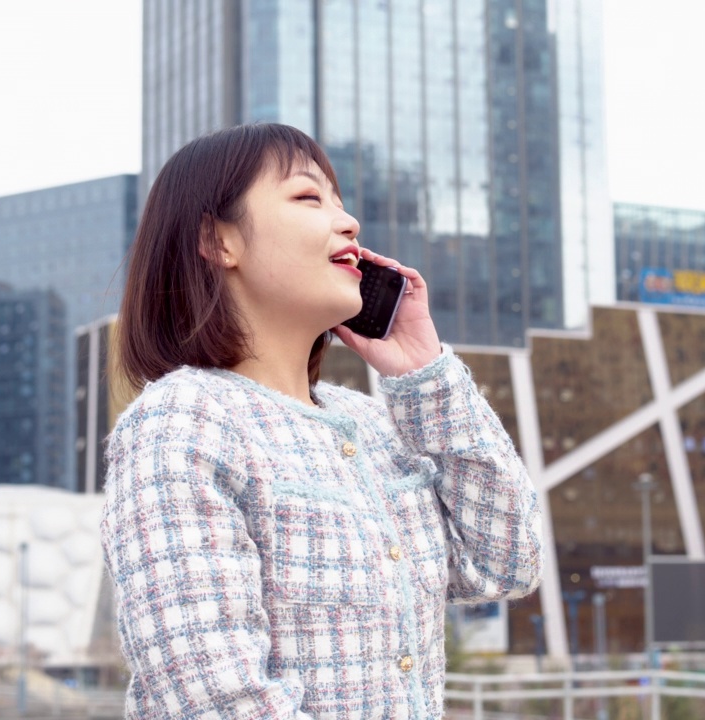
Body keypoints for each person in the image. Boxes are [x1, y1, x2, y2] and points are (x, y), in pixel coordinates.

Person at [101, 123, 543, 719]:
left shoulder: (376, 424)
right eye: (310, 198)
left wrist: (425, 374)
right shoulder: (180, 424)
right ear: (218, 240)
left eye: (339, 199)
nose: (348, 221)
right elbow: (214, 693)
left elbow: (506, 561)